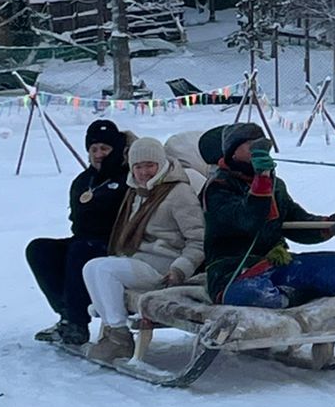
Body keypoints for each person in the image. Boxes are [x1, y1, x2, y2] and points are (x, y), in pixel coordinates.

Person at [198, 122, 335, 308]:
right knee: (252, 293)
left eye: (262, 145)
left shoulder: (276, 185)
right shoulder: (218, 186)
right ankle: (293, 299)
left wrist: (331, 225)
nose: (259, 150)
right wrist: (261, 179)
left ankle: (289, 296)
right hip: (233, 270)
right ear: (233, 152)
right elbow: (248, 220)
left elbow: (296, 221)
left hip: (276, 261)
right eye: (251, 146)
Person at [82, 136, 205, 363]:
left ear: (161, 164)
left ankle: (119, 338)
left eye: (150, 165)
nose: (144, 172)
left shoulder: (178, 192)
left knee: (103, 270)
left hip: (164, 266)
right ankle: (112, 331)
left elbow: (199, 240)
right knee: (92, 267)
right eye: (138, 166)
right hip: (140, 259)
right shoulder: (137, 192)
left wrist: (180, 269)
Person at [26, 120, 130, 349]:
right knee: (39, 249)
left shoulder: (128, 178)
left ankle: (77, 321)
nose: (99, 154)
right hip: (84, 239)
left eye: (105, 149)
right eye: (93, 150)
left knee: (82, 248)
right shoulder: (84, 181)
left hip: (116, 244)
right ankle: (65, 313)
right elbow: (77, 219)